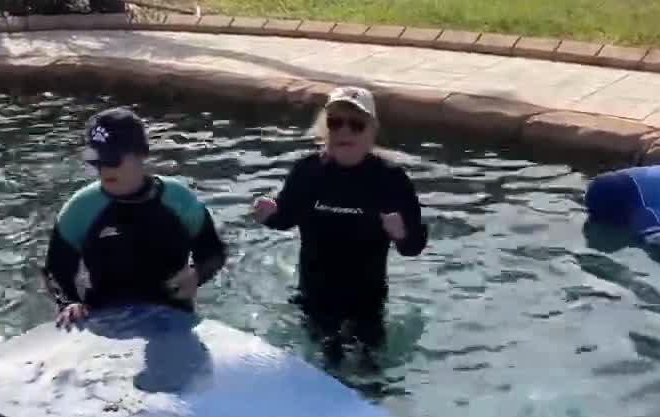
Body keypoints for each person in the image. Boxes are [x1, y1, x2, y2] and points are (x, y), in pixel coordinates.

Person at [252, 86, 428, 363]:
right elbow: (286, 217)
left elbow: (414, 245)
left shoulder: (391, 179)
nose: (344, 132)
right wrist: (268, 214)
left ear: (372, 131)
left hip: (367, 299)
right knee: (324, 364)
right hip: (314, 295)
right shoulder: (308, 171)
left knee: (371, 372)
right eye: (335, 123)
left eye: (356, 125)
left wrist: (402, 234)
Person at [44, 107, 227, 328]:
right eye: (97, 161)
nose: (104, 170)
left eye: (112, 160)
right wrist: (69, 302)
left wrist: (197, 274)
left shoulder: (179, 199)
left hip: (173, 315)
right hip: (105, 319)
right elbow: (55, 269)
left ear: (142, 153)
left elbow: (214, 251)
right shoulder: (81, 208)